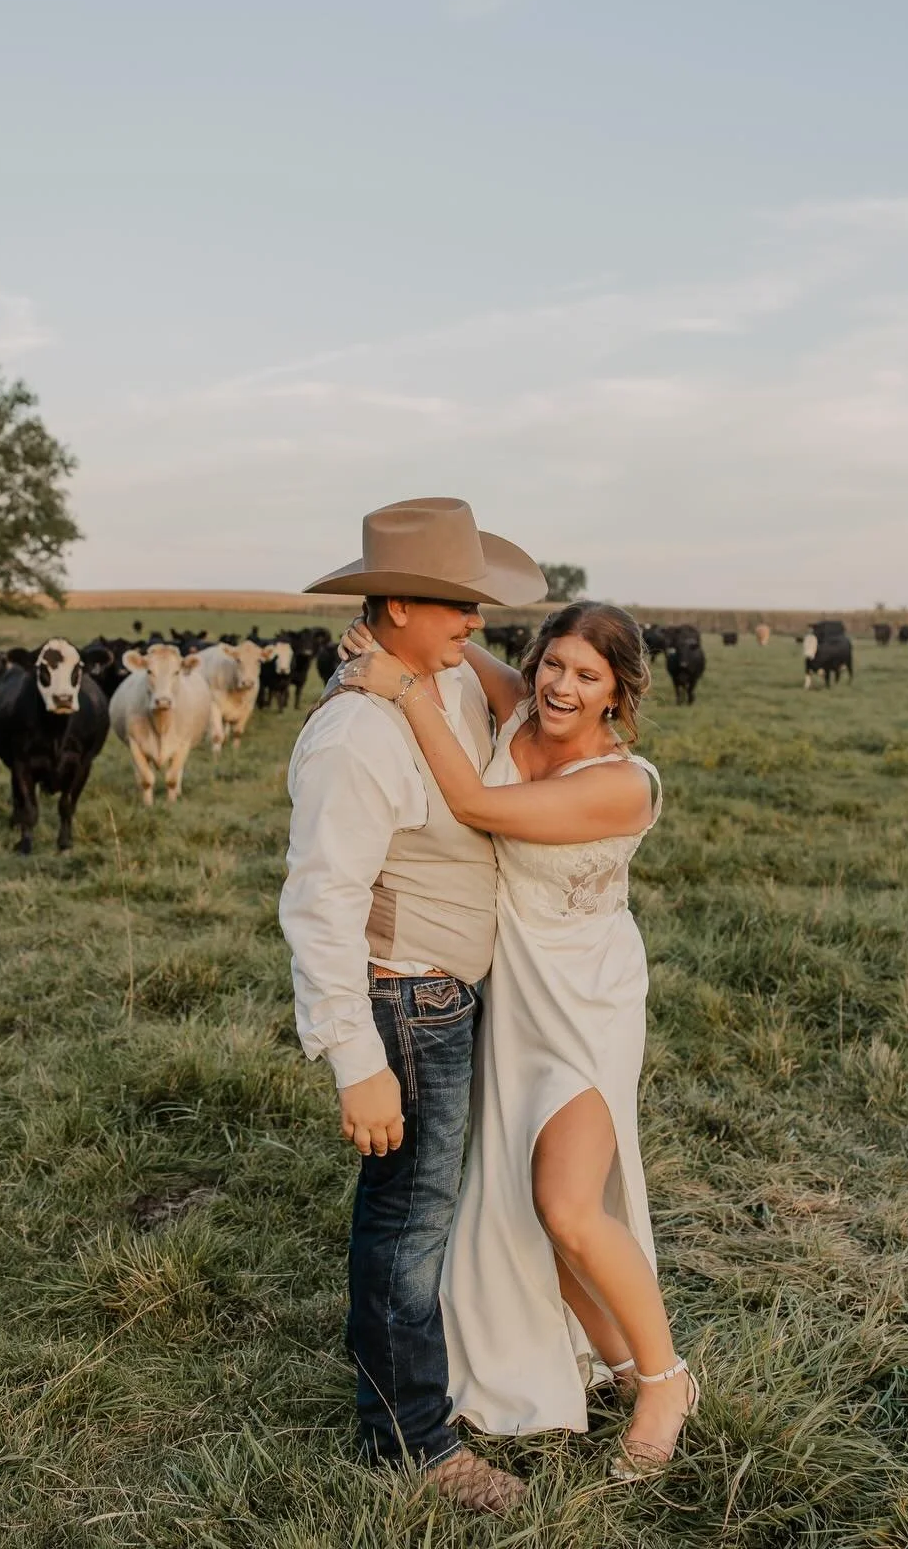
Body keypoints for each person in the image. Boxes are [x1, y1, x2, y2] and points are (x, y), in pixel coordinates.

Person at [340, 599, 697, 1480]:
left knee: (567, 1203)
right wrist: (388, 642)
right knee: (535, 1205)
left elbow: (473, 801)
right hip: (512, 995)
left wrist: (402, 691)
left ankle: (666, 1384)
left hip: (586, 1002)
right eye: (553, 665)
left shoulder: (624, 783)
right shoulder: (523, 705)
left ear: (618, 692)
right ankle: (621, 1362)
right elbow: (452, 649)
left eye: (588, 676)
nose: (562, 687)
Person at [278, 498, 546, 1517]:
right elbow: (320, 904)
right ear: (395, 604)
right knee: (407, 1220)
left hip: (450, 993)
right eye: (456, 605)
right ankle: (412, 1442)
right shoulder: (355, 734)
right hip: (405, 998)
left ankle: (432, 1390)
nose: (475, 623)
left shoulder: (446, 678)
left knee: (425, 1210)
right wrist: (356, 1060)